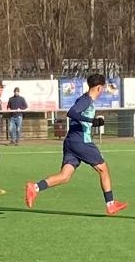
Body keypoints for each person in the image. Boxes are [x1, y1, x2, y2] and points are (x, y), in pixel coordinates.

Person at [25, 74, 128, 215]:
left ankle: (35, 188)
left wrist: (92, 122)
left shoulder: (83, 99)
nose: (103, 91)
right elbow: (72, 113)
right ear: (99, 87)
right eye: (103, 88)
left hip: (71, 141)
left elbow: (77, 117)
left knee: (65, 176)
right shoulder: (86, 100)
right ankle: (111, 204)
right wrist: (91, 121)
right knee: (103, 170)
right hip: (81, 142)